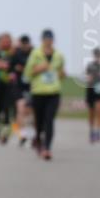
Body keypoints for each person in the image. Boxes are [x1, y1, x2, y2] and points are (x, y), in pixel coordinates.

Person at [26, 29, 65, 161]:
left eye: (50, 39)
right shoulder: (35, 54)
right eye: (46, 39)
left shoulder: (59, 55)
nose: (48, 41)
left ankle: (47, 148)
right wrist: (39, 69)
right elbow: (28, 73)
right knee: (39, 121)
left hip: (53, 92)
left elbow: (61, 72)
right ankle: (37, 137)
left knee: (49, 120)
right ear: (42, 40)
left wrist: (62, 74)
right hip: (38, 92)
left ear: (53, 40)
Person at [0, 33, 16, 144]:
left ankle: (5, 133)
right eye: (4, 40)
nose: (6, 42)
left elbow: (17, 67)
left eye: (8, 41)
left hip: (9, 84)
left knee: (7, 108)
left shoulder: (13, 53)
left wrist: (14, 73)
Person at [12, 34, 35, 147]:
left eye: (26, 43)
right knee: (20, 109)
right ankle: (22, 135)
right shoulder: (16, 53)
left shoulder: (35, 53)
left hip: (32, 86)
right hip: (19, 86)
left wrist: (25, 68)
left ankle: (33, 134)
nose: (25, 46)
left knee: (30, 111)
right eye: (23, 43)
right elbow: (12, 67)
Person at [84, 47, 100, 144]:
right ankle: (92, 130)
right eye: (96, 55)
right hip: (91, 89)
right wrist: (89, 78)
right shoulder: (90, 65)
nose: (97, 57)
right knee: (91, 112)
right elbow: (86, 77)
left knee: (99, 110)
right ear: (94, 56)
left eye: (99, 55)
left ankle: (98, 131)